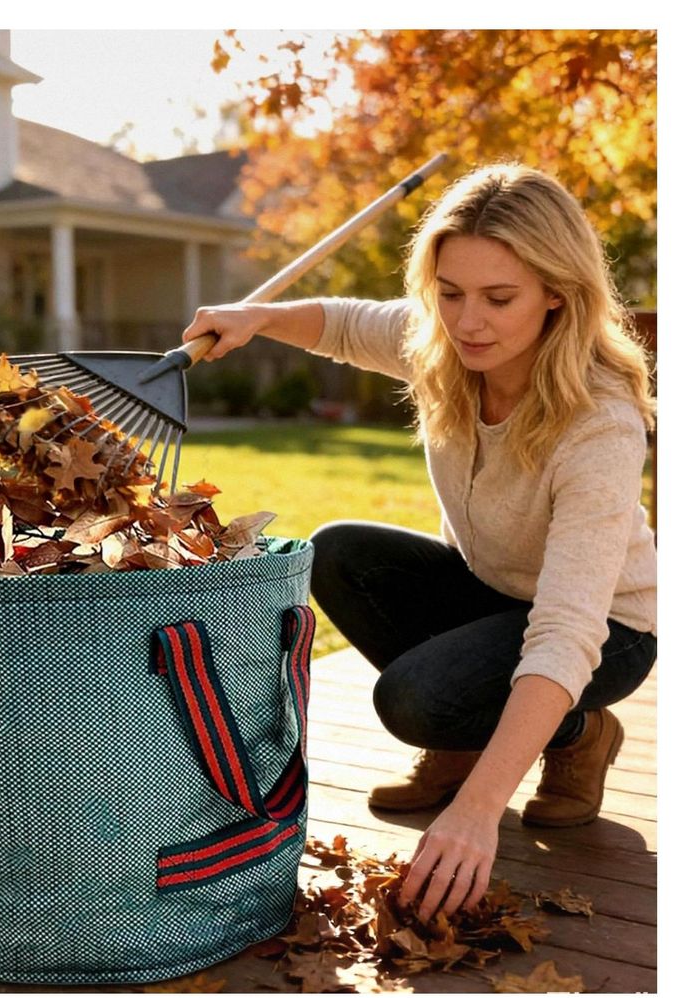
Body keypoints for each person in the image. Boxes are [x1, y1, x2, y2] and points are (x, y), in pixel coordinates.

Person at [181, 163, 657, 925]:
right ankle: (466, 733)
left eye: (499, 298)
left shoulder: (598, 421)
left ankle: (576, 730)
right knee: (337, 553)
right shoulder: (446, 349)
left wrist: (477, 811)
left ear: (557, 292)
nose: (469, 321)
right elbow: (338, 323)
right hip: (490, 588)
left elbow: (567, 631)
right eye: (450, 291)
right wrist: (255, 316)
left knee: (413, 700)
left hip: (606, 631)